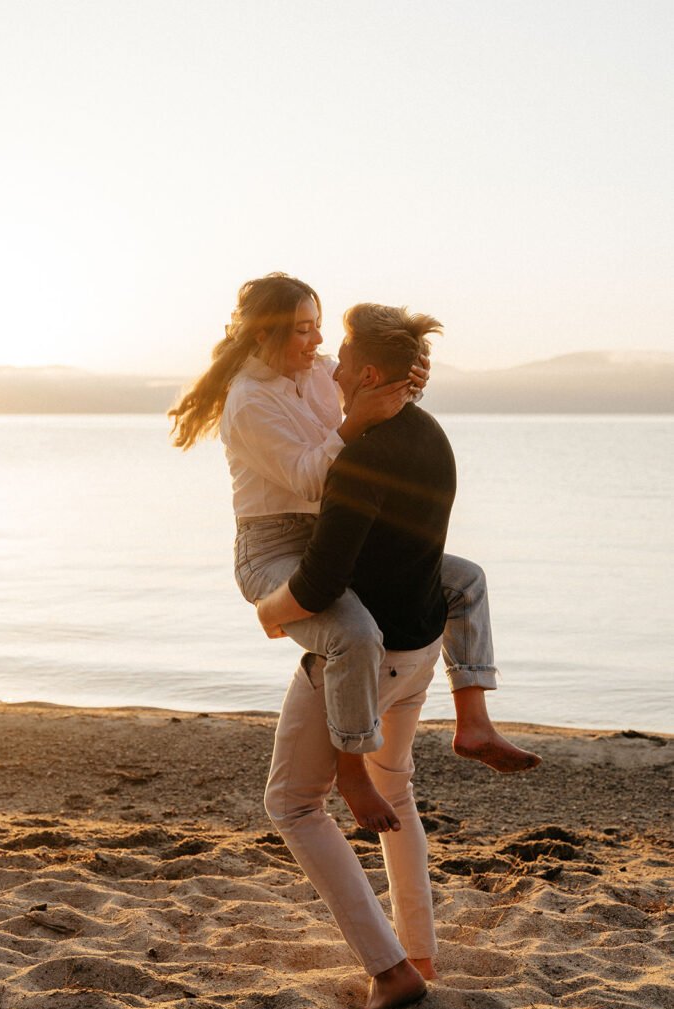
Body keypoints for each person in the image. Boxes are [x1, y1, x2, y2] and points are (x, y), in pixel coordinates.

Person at [168, 273, 539, 830]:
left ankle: (474, 720)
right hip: (272, 549)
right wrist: (357, 421)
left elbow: (370, 377)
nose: (317, 342)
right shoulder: (246, 401)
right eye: (302, 330)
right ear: (266, 333)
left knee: (465, 581)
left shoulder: (316, 369)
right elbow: (308, 479)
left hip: (335, 533)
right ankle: (352, 768)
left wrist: (411, 378)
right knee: (355, 633)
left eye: (319, 326)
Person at [254, 302, 460, 1009]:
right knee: (393, 789)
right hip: (422, 648)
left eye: (341, 358)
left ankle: (393, 969)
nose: (329, 366)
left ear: (368, 373)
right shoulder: (429, 433)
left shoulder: (359, 463)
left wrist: (268, 611)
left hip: (366, 659)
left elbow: (315, 590)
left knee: (293, 803)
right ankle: (420, 945)